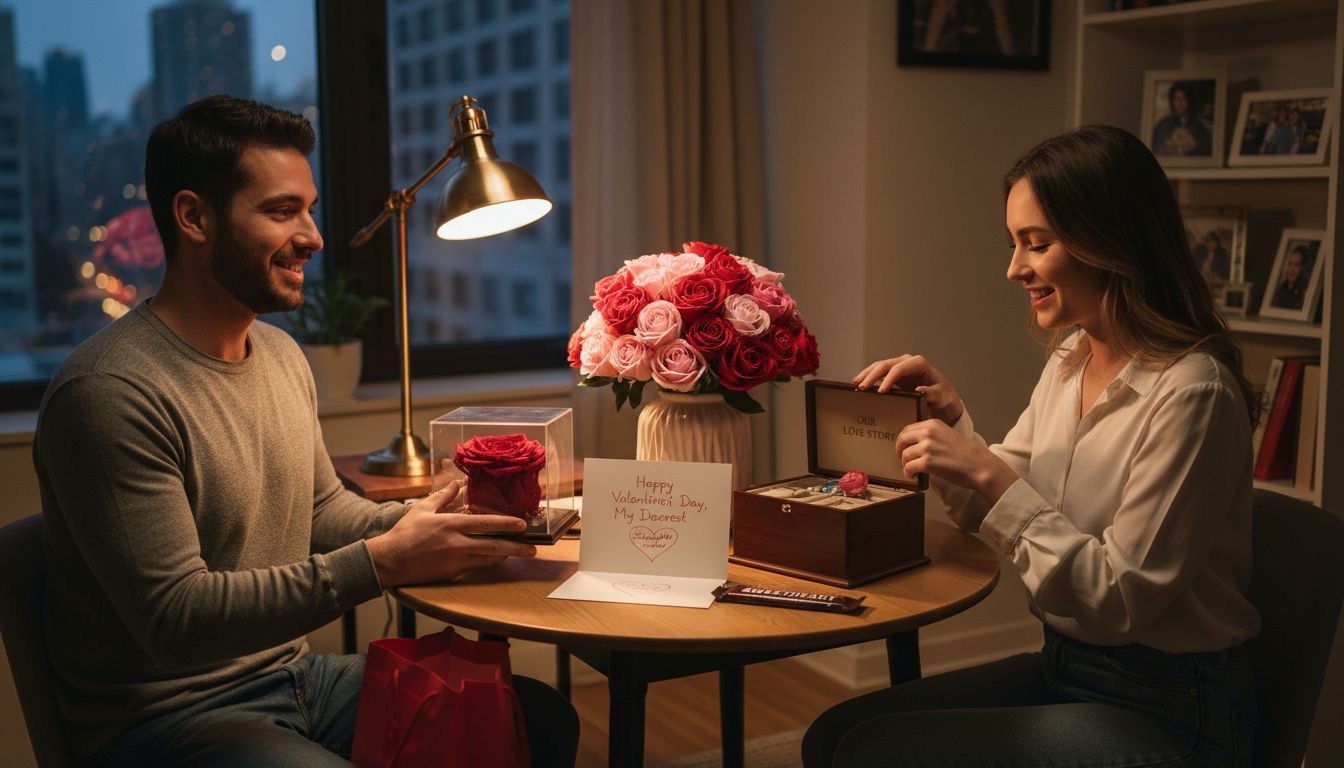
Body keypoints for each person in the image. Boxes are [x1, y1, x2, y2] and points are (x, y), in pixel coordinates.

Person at [33, 95, 579, 768]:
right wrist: (384, 562)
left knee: (538, 717)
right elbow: (175, 622)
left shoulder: (282, 356)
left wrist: (434, 522)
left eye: (309, 208)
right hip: (165, 718)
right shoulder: (110, 393)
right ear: (194, 216)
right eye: (281, 210)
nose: (315, 237)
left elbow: (320, 510)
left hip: (292, 682)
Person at [803, 125, 1261, 767]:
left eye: (1035, 244)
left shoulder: (1193, 393)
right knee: (834, 734)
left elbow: (1116, 601)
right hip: (1068, 665)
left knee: (877, 752)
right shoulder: (1073, 358)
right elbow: (1002, 499)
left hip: (1173, 708)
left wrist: (989, 475)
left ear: (1109, 240)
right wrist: (954, 422)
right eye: (1014, 243)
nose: (1014, 268)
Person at [1151, 82, 1213, 157]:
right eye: (1176, 98)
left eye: (1184, 98)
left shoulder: (1198, 124)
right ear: (1172, 101)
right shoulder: (1164, 124)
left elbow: (1205, 150)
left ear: (1189, 101)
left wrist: (1192, 146)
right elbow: (1157, 149)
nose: (1180, 103)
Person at [1271, 243, 1311, 310]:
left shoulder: (1305, 291)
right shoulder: (1281, 289)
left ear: (1303, 268)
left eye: (1296, 265)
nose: (1292, 269)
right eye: (1290, 264)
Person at [1194, 230, 1230, 294]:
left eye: (1213, 242)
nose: (1210, 245)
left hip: (1216, 279)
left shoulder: (1222, 253)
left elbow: (1225, 268)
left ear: (1217, 243)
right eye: (1208, 242)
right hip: (1202, 278)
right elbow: (1196, 263)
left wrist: (1214, 274)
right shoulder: (1201, 251)